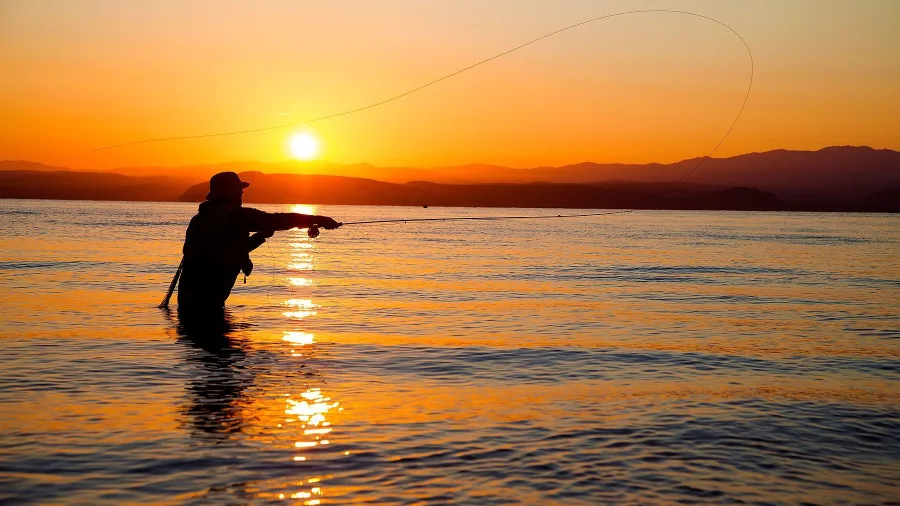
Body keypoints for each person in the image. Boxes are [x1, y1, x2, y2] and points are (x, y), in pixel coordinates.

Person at [177, 171, 340, 315]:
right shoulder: (236, 217)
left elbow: (228, 250)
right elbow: (277, 220)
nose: (241, 192)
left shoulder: (199, 220)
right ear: (229, 194)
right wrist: (319, 219)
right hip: (206, 303)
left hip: (189, 301)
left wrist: (260, 236)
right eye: (238, 189)